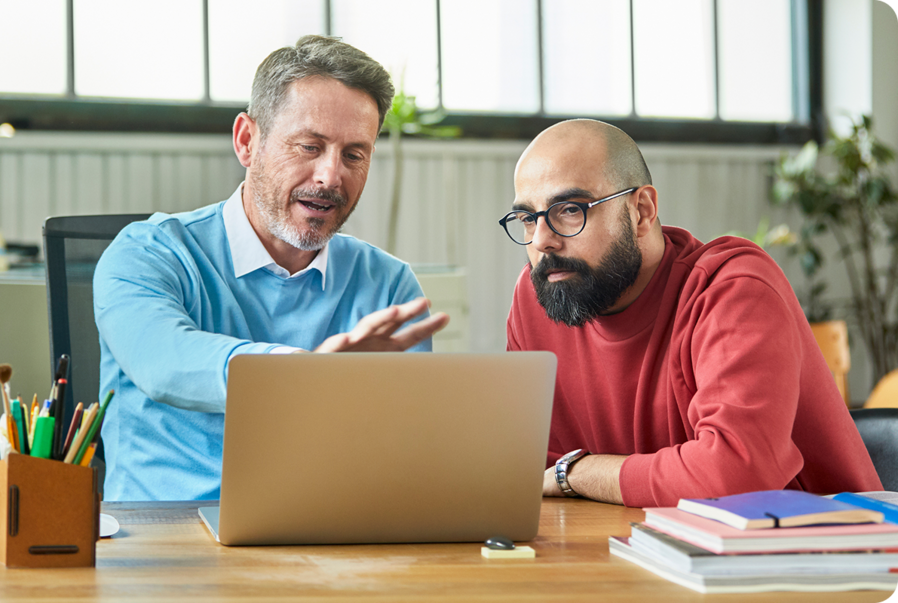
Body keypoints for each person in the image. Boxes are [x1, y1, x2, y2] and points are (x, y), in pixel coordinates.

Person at [94, 36, 449, 502]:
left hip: (322, 539)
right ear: (247, 140)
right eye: (309, 146)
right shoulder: (148, 254)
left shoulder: (387, 284)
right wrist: (306, 376)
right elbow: (166, 362)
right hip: (169, 544)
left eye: (354, 155)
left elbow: (403, 446)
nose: (330, 176)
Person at [502, 119, 882, 508]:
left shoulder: (732, 289)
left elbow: (736, 474)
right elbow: (525, 471)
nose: (542, 241)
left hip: (814, 555)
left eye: (569, 210)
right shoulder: (537, 299)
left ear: (641, 211)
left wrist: (577, 474)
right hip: (638, 551)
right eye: (527, 218)